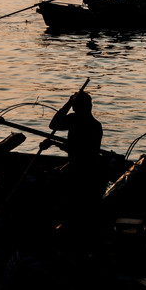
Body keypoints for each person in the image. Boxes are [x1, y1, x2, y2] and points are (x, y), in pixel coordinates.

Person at [40, 91, 104, 256]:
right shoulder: (80, 121)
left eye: (75, 106)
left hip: (83, 169)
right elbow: (53, 125)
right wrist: (68, 104)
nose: (74, 109)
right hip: (78, 166)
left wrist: (54, 143)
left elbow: (79, 151)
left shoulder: (88, 124)